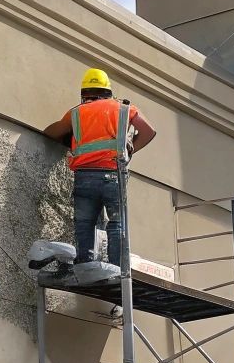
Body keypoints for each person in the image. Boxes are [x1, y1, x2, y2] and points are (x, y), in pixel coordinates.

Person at [41, 68, 157, 265]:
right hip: (113, 175)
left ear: (84, 94)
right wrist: (129, 151)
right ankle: (116, 268)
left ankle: (85, 266)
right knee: (116, 224)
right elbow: (148, 131)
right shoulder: (124, 109)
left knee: (85, 225)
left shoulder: (76, 113)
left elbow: (50, 132)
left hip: (84, 177)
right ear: (108, 92)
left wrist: (71, 140)